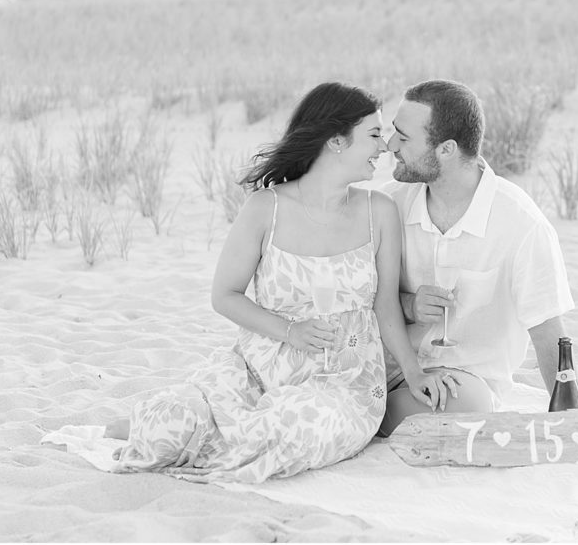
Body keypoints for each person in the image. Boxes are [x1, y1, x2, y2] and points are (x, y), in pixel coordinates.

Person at [104, 82, 450, 483]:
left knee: (285, 431)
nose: (385, 146)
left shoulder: (379, 212)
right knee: (168, 423)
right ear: (336, 141)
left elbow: (384, 306)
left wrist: (415, 373)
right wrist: (291, 331)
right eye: (373, 135)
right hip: (258, 370)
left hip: (343, 382)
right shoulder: (264, 208)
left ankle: (210, 439)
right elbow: (225, 296)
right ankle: (167, 428)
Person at [378, 79, 577, 436]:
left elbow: (548, 332)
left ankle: (369, 415)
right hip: (383, 365)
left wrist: (573, 422)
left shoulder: (520, 223)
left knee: (466, 407)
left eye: (403, 138)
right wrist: (409, 305)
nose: (390, 145)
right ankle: (369, 410)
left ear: (446, 149)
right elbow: (357, 297)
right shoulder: (389, 205)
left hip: (463, 383)